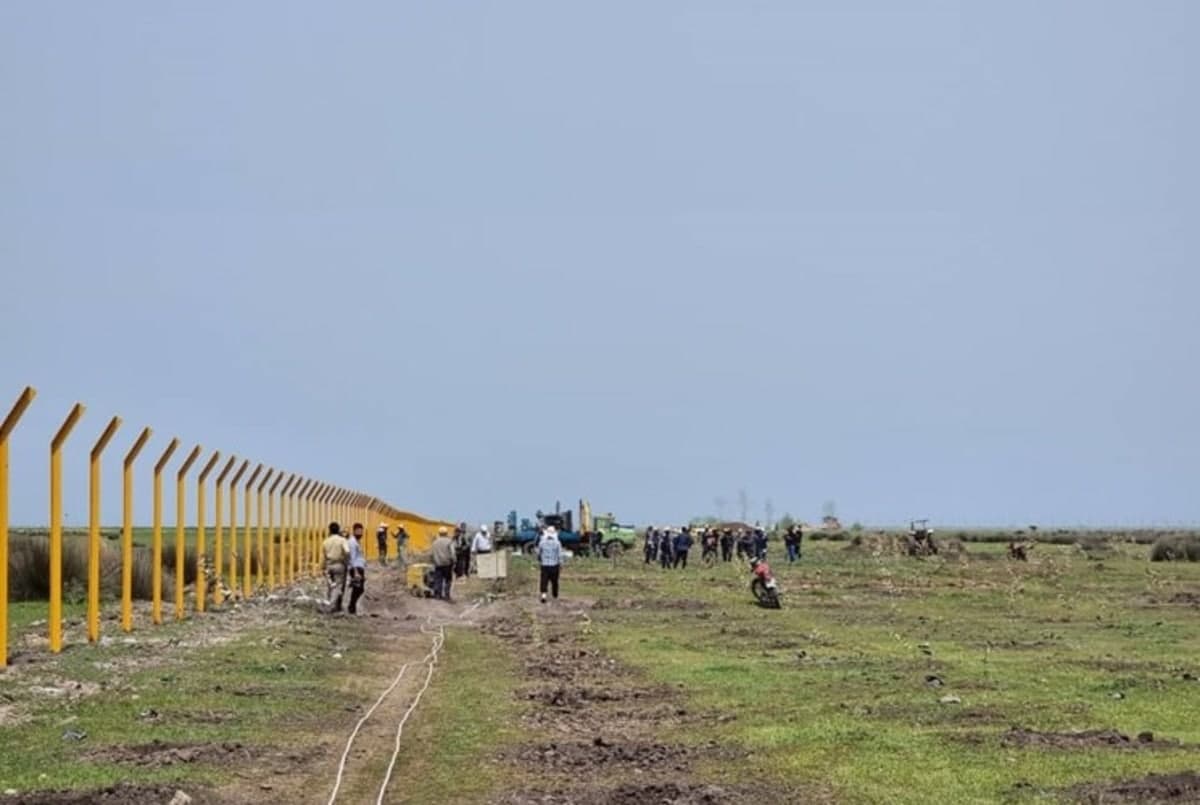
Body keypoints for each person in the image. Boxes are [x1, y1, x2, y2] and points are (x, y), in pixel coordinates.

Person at [321, 522, 350, 613]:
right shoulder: (342, 540)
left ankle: (331, 604)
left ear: (329, 530)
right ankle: (332, 606)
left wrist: (323, 568)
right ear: (338, 530)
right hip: (339, 565)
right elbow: (347, 551)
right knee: (338, 587)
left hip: (329, 565)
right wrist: (346, 560)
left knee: (331, 586)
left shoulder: (325, 541)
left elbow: (323, 556)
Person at [537, 526, 563, 603]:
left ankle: (544, 595)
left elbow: (539, 554)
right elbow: (559, 555)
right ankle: (555, 595)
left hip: (544, 565)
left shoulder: (541, 543)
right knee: (554, 581)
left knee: (544, 580)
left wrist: (540, 560)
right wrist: (561, 564)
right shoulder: (557, 543)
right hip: (554, 565)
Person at [431, 526, 456, 601]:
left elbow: (431, 554)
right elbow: (453, 553)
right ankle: (447, 595)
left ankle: (438, 595)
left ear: (439, 533)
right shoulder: (449, 541)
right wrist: (454, 561)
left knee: (438, 579)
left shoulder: (435, 542)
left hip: (437, 563)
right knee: (448, 580)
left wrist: (433, 561)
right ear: (446, 533)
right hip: (447, 564)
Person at [348, 523, 367, 614]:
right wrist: (355, 572)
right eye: (359, 531)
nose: (360, 533)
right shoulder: (352, 542)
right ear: (354, 531)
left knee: (358, 588)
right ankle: (351, 607)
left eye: (361, 531)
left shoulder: (356, 541)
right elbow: (351, 558)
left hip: (359, 568)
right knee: (359, 588)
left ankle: (352, 607)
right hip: (356, 568)